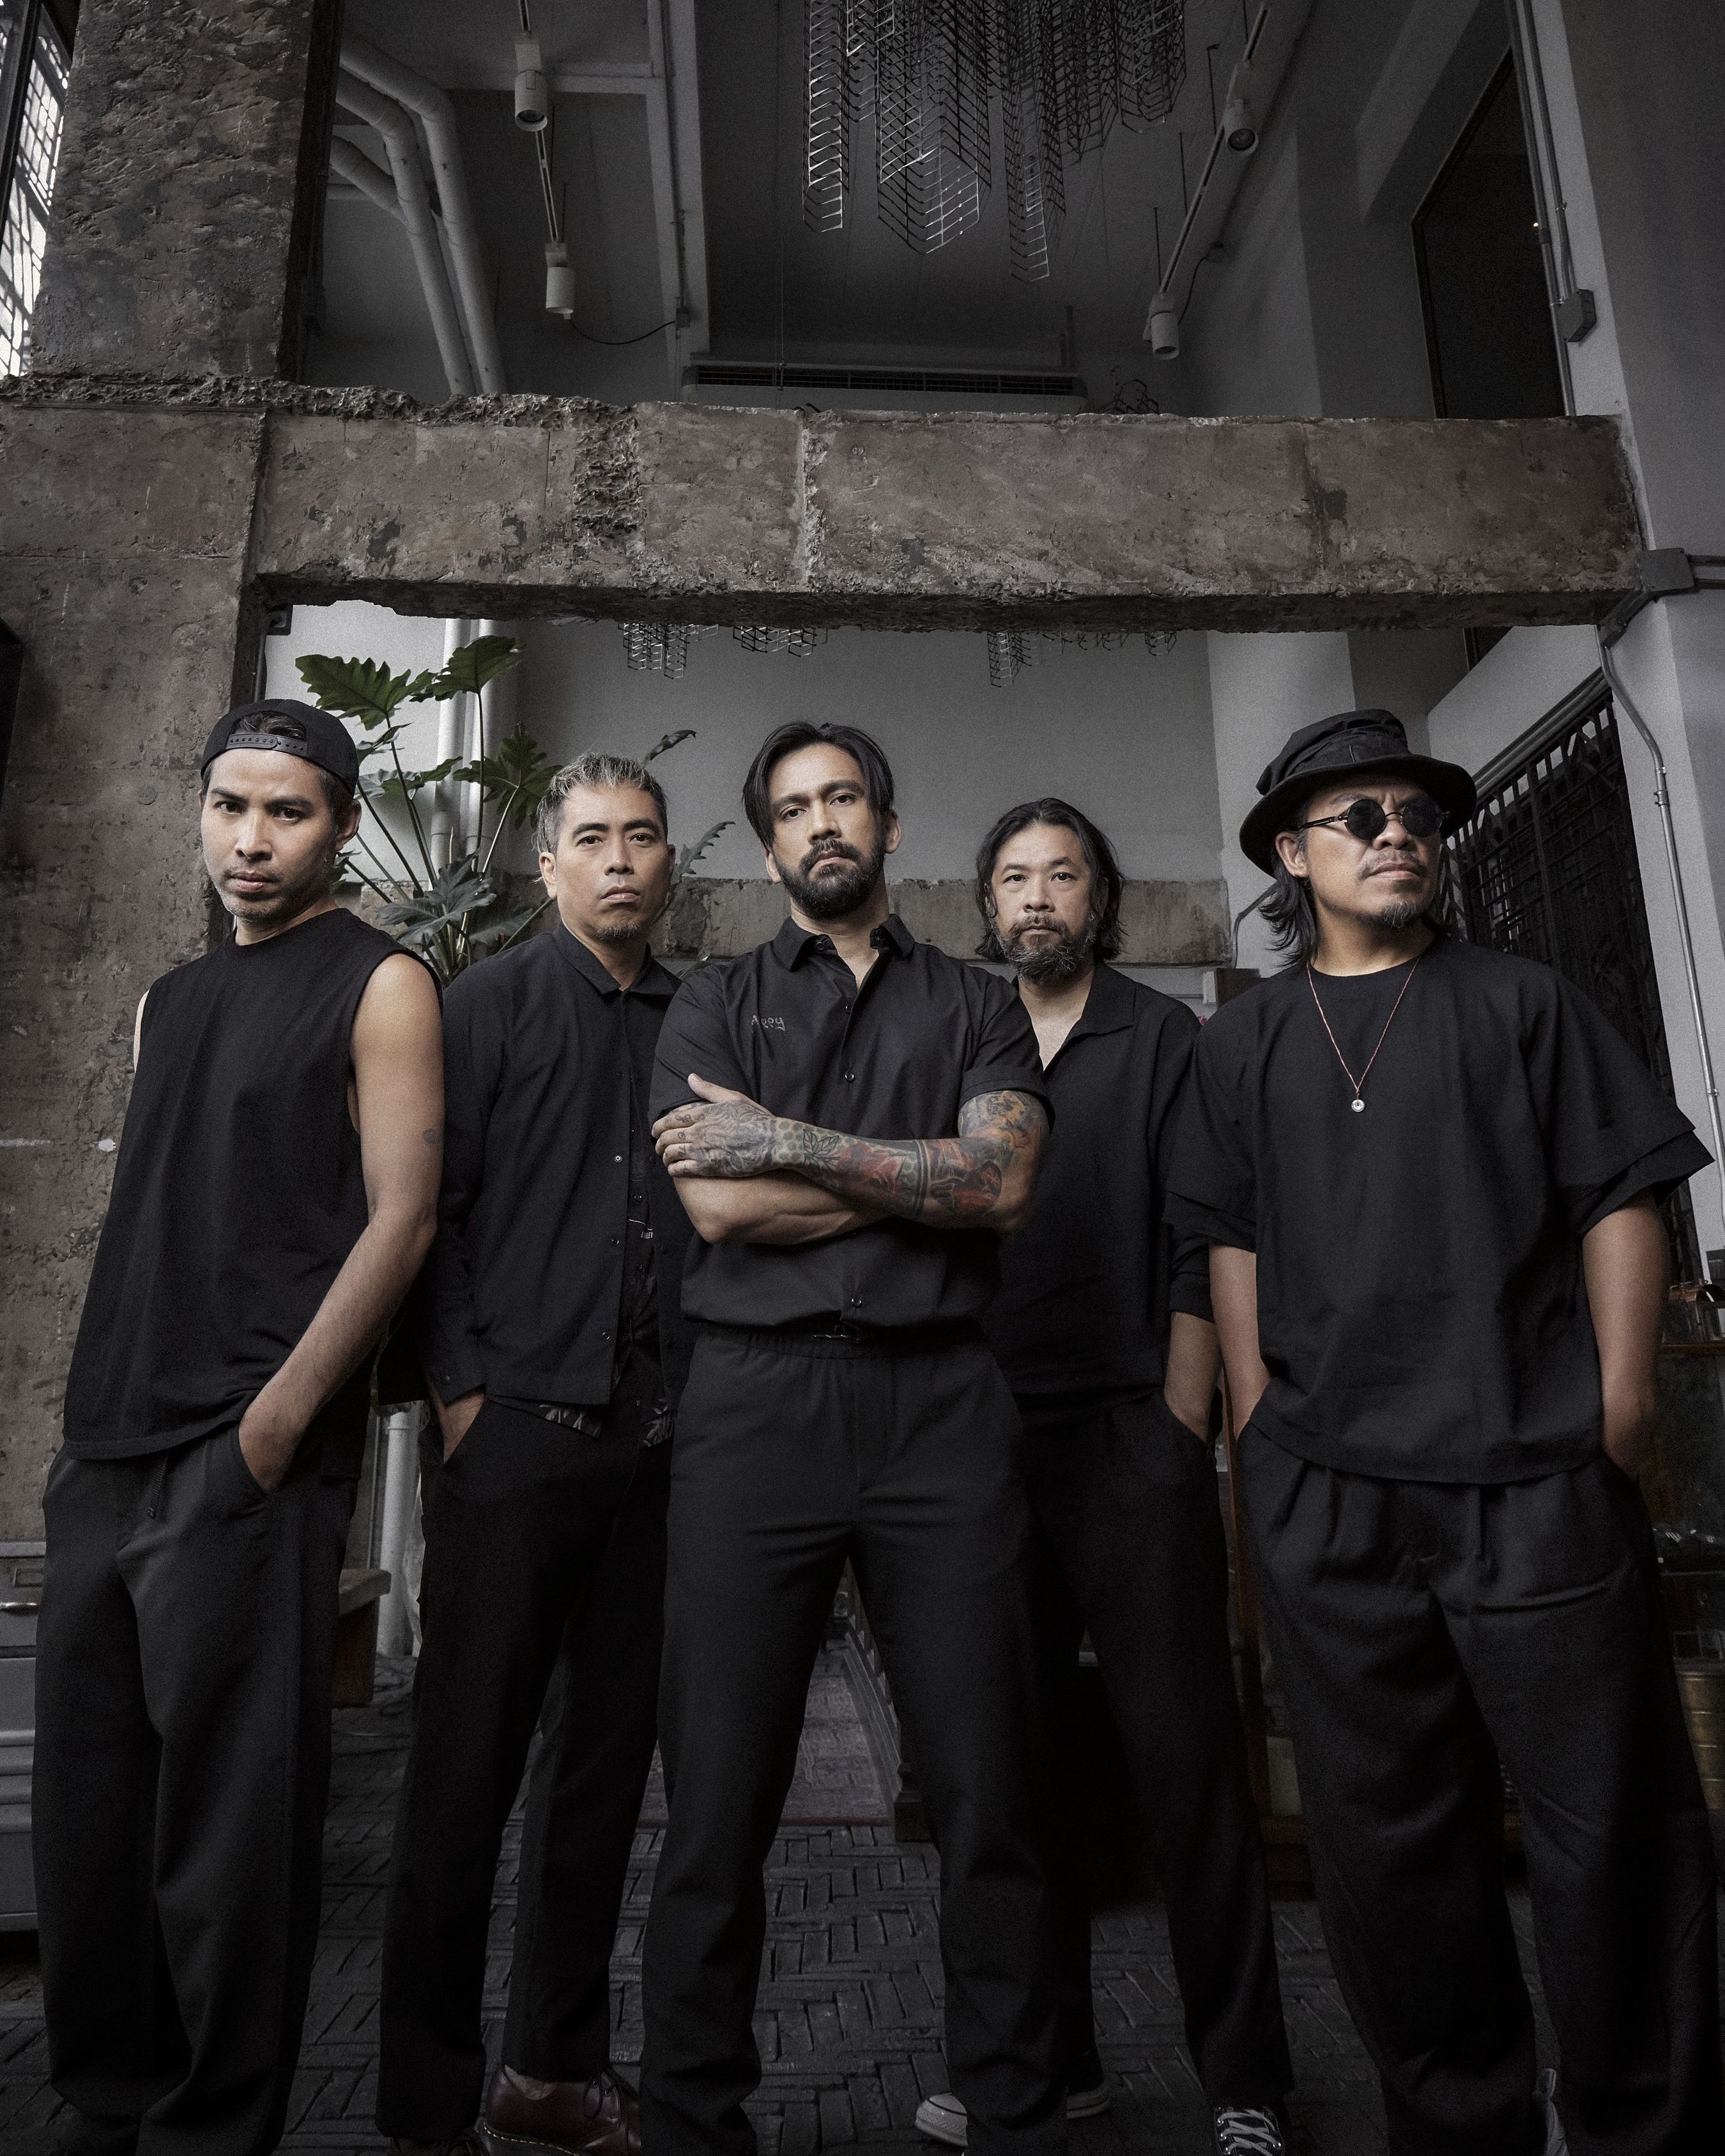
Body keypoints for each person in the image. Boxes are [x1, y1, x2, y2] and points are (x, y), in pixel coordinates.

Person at [1165, 708, 1725, 2156]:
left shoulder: (1524, 1001)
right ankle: (1461, 2126)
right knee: (1389, 1849)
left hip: (1534, 1484)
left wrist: (1620, 1406)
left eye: (1415, 813)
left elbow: (1619, 1196)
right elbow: (1228, 1240)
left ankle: (1637, 2126)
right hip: (1333, 1499)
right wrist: (1263, 1430)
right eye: (1358, 818)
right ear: (1292, 856)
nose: (1396, 834)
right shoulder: (1243, 1043)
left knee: (1611, 1831)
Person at [640, 721, 1063, 2156]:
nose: (822, 822)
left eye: (844, 798)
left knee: (987, 1781)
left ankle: (1014, 2112)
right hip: (754, 1407)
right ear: (770, 848)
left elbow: (1002, 1185)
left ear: (887, 821)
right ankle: (693, 2121)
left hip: (942, 1406)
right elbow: (717, 1209)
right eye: (793, 808)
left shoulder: (978, 1003)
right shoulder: (713, 1002)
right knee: (715, 1791)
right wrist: (913, 1182)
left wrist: (787, 1140)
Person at [35, 699, 443, 2156]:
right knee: (92, 1810)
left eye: (285, 811)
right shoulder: (172, 996)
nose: (250, 839)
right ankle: (110, 2092)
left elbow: (404, 1219)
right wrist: (88, 1435)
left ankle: (214, 2126)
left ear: (339, 823)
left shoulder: (382, 982)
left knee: (230, 1831)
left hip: (240, 1449)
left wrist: (274, 1423)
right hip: (107, 1443)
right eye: (228, 807)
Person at [914, 801, 1292, 2156]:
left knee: (1186, 1761)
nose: (1037, 897)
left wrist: (1183, 1412)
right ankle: (1045, 2063)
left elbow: (1204, 1231)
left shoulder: (1163, 1037)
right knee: (1008, 1772)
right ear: (987, 902)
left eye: (1061, 875)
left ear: (1099, 898)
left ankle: (1246, 2080)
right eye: (1014, 876)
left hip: (1131, 1434)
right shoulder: (960, 1034)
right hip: (982, 1441)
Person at [376, 753, 696, 2156]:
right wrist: (463, 1399)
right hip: (514, 1444)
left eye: (644, 835)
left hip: (659, 1454)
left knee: (602, 1777)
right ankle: (421, 2102)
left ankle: (549, 2074)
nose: (620, 858)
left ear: (669, 860)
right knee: (462, 1774)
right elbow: (425, 1218)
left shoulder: (704, 1020)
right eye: (594, 838)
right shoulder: (481, 1006)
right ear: (549, 864)